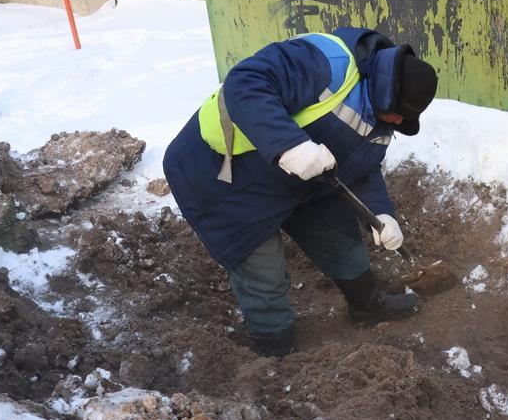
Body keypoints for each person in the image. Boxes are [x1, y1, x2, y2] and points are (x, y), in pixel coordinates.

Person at [163, 28, 438, 357]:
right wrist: (290, 146)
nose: (398, 122)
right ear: (387, 93)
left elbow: (364, 169)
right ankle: (275, 351)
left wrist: (382, 214)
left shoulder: (382, 121)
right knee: (265, 275)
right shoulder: (326, 63)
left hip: (300, 179)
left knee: (342, 239)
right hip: (225, 177)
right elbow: (245, 83)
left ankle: (369, 305)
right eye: (400, 114)